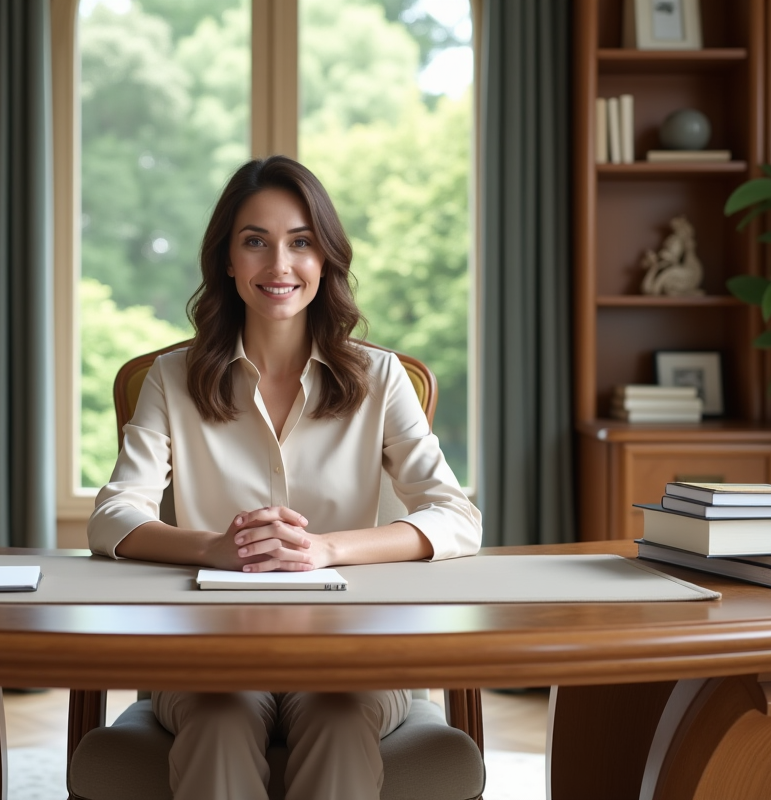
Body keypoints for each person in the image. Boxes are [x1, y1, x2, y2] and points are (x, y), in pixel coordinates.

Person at [88, 155, 482, 800]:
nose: (279, 266)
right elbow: (112, 515)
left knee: (339, 716)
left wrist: (327, 549)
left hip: (352, 655)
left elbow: (456, 516)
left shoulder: (380, 380)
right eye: (255, 243)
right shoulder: (170, 378)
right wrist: (217, 548)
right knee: (217, 719)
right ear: (227, 261)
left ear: (325, 259)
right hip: (206, 655)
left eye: (300, 242)